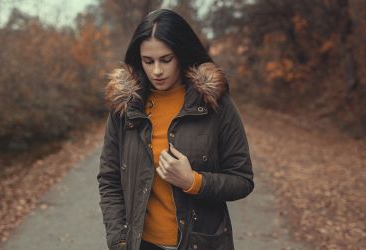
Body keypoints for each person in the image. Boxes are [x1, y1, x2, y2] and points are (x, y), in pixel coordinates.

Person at [97, 9, 254, 250]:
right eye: (148, 61)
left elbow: (242, 180)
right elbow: (109, 179)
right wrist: (118, 239)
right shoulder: (126, 107)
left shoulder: (214, 103)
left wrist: (193, 181)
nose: (157, 71)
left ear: (181, 54)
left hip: (201, 243)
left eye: (166, 59)